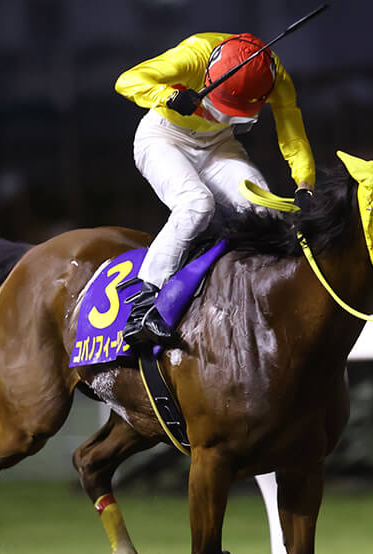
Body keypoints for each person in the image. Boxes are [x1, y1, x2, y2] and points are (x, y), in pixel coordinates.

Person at [114, 31, 316, 347]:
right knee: (197, 205)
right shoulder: (194, 55)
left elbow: (292, 134)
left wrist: (305, 183)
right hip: (164, 138)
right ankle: (143, 304)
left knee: (265, 210)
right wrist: (168, 96)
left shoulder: (276, 77)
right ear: (209, 74)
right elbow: (127, 80)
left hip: (218, 145)